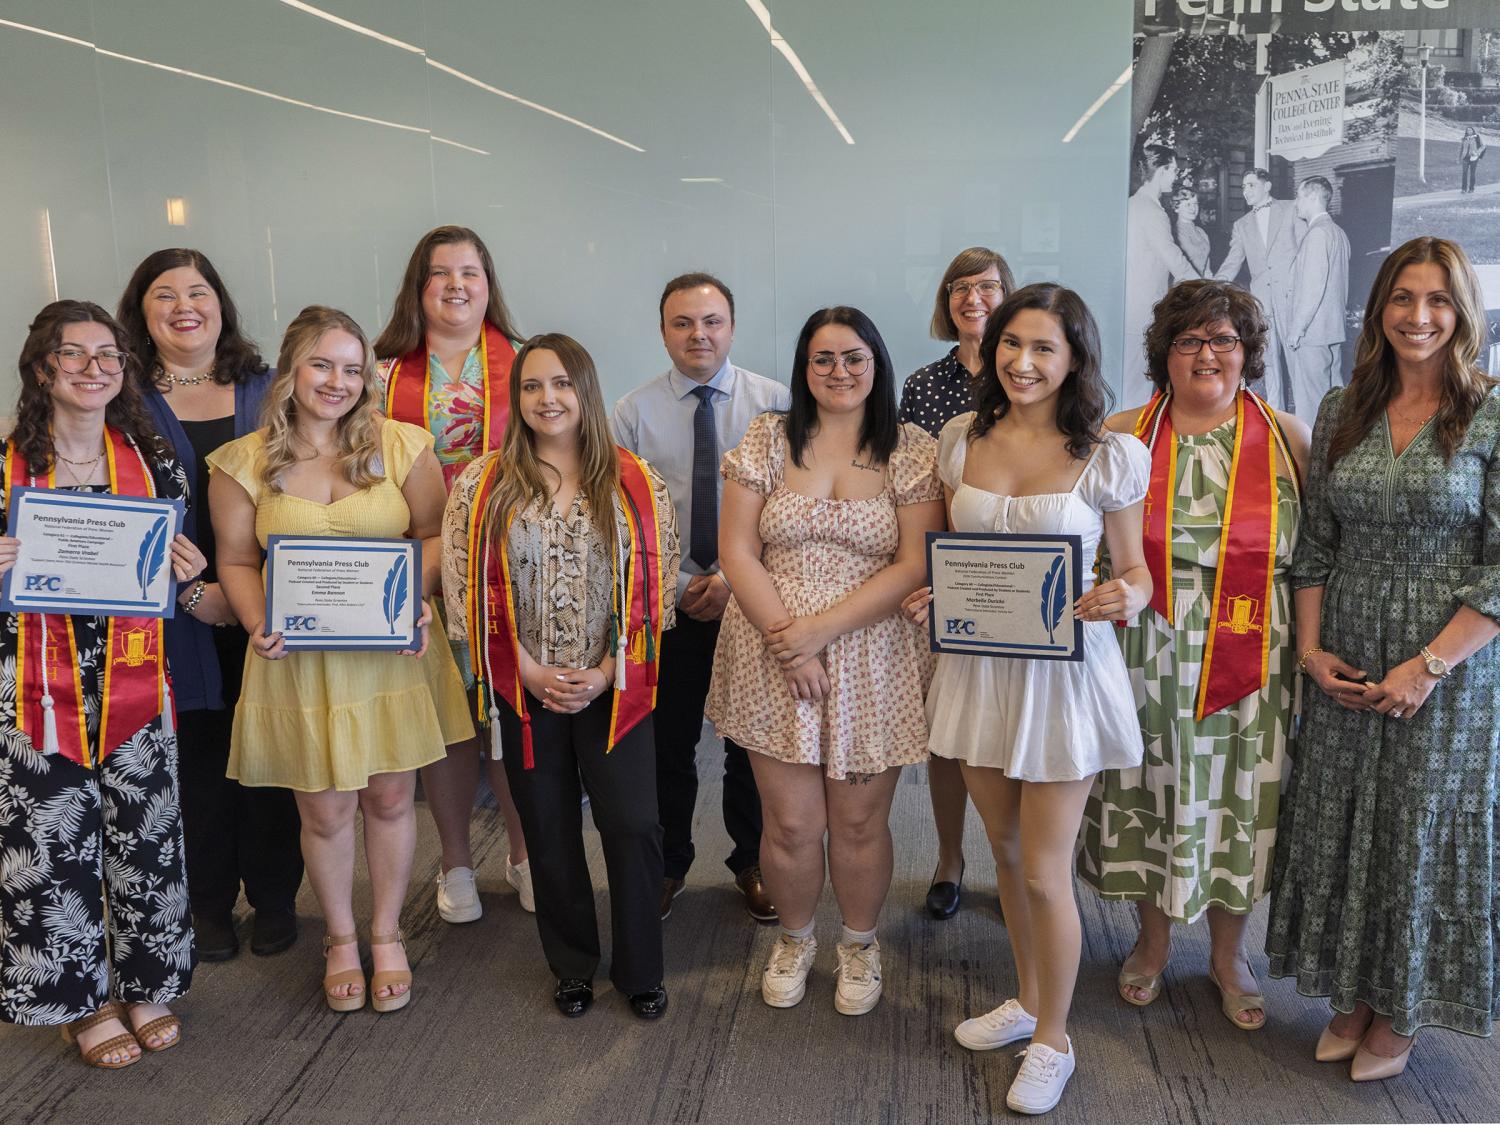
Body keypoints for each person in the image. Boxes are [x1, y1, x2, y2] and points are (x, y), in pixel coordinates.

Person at [905, 284, 1151, 1114]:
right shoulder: (958, 441)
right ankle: (1028, 998)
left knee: (1046, 870)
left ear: (1075, 356)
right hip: (980, 672)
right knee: (1004, 850)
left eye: (1044, 347)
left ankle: (1056, 1039)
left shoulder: (1107, 453)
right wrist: (937, 598)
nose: (1022, 361)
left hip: (1063, 676)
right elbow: (947, 552)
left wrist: (1129, 595)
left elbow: (1137, 571)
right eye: (1012, 343)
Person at [1266, 236, 1500, 1081]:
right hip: (1348, 654)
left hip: (1448, 671)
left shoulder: (1494, 413)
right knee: (1342, 823)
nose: (1420, 316)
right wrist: (1311, 650)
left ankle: (1402, 1007)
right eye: (1403, 298)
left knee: (1414, 834)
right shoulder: (1340, 408)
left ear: (1462, 312)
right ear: (1379, 310)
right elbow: (1314, 544)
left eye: (1439, 300)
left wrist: (1427, 666)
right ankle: (1355, 993)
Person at [210, 305, 474, 1014]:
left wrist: (410, 597)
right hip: (295, 657)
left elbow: (432, 536)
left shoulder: (402, 445)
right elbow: (235, 558)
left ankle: (386, 933)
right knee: (323, 811)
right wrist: (257, 617)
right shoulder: (243, 460)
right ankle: (338, 935)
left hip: (386, 654)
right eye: (322, 364)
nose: (337, 381)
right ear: (291, 370)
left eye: (352, 368)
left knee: (389, 798)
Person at [1077, 280, 1310, 1032]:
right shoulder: (1123, 434)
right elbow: (1080, 538)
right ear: (1164, 354)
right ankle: (1150, 941)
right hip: (1148, 640)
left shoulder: (1286, 436)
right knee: (1152, 784)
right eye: (1189, 341)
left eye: (1224, 340)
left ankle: (1227, 953)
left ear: (1246, 352)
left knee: (1236, 794)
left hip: (1253, 646)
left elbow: (1317, 557)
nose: (1207, 354)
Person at [707, 307, 943, 1018]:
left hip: (874, 659)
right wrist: (789, 638)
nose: (839, 372)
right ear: (803, 368)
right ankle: (796, 936)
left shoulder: (911, 448)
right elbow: (737, 551)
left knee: (862, 822)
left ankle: (860, 944)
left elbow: (913, 563)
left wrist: (819, 633)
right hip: (770, 650)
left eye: (853, 357)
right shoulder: (767, 439)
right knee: (788, 825)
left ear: (877, 363)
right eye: (823, 359)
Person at [443, 333, 679, 1020]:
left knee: (633, 823)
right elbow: (465, 598)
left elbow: (656, 599)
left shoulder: (636, 481)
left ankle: (640, 969)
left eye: (561, 384)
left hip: (615, 690)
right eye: (532, 386)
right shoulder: (482, 487)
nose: (548, 399)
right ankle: (573, 964)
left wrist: (606, 671)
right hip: (527, 688)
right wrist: (530, 669)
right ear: (516, 399)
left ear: (586, 391)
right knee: (547, 827)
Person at [0, 300, 205, 1066]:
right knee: (53, 839)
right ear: (42, 367)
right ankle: (79, 1000)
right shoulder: (5, 462)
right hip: (34, 682)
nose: (93, 368)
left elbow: (172, 569)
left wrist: (187, 572)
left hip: (133, 677)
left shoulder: (151, 458)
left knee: (145, 830)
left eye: (107, 355)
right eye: (73, 354)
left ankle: (147, 980)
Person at [116, 248, 304, 963]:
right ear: (142, 311)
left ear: (221, 304)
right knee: (196, 762)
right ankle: (208, 902)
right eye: (164, 295)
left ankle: (278, 894)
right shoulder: (122, 398)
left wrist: (245, 592)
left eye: (198, 292)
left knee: (271, 754)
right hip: (171, 616)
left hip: (270, 603)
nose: (183, 306)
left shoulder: (269, 387)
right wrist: (193, 591)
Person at [611, 273, 787, 923]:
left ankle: (753, 860)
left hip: (756, 598)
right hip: (670, 603)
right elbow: (623, 518)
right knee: (668, 743)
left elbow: (791, 506)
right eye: (682, 322)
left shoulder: (776, 405)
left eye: (711, 321)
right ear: (663, 332)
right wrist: (685, 587)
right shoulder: (632, 412)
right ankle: (669, 861)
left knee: (751, 742)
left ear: (732, 327)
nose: (698, 334)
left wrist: (739, 581)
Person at [374, 224, 532, 924]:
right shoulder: (378, 374)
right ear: (419, 287)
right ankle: (456, 860)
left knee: (510, 717)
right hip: (418, 566)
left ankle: (525, 853)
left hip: (510, 568)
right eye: (440, 273)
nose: (457, 286)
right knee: (445, 721)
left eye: (471, 271)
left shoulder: (529, 364)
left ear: (489, 283)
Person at [897, 245, 1015, 920]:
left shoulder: (1034, 369)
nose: (974, 298)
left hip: (1024, 581)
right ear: (947, 302)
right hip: (946, 578)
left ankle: (1011, 860)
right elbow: (913, 486)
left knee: (1012, 725)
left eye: (988, 286)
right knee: (949, 727)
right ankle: (948, 858)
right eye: (961, 288)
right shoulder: (921, 385)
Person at [1215, 168, 1301, 412]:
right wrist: (1215, 284)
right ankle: (1278, 417)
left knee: (1296, 361)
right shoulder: (1242, 225)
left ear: (1267, 185)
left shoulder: (1291, 208)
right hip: (1263, 301)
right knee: (1270, 363)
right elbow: (1233, 260)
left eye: (1250, 185)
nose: (1245, 192)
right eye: (1243, 187)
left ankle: (1306, 419)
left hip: (1291, 298)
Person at [1124, 145, 1201, 405]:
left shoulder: (1131, 205)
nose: (1175, 177)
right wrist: (1206, 289)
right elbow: (1174, 258)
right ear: (1162, 170)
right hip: (1144, 310)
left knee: (1130, 382)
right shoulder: (1153, 212)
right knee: (1139, 390)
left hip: (1129, 308)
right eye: (1174, 171)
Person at [1286, 178, 1351, 420]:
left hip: (1312, 333)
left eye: (1299, 196)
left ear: (1313, 197)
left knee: (1312, 403)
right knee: (1333, 398)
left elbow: (1312, 288)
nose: (1296, 203)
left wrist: (1296, 329)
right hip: (1332, 329)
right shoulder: (1339, 233)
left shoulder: (1317, 234)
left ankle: (1311, 454)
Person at [1172, 188, 1212, 276]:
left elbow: (1207, 267)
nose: (1193, 208)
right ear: (1176, 208)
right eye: (1188, 204)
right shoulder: (1173, 233)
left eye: (1195, 204)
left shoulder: (1201, 232)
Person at [1459, 126, 1486, 194]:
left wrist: (1477, 153)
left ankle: (1471, 189)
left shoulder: (1477, 137)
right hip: (1465, 158)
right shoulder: (1464, 139)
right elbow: (1461, 149)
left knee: (1472, 173)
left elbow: (1483, 146)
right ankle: (1463, 189)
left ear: (1473, 131)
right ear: (1466, 132)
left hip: (1474, 158)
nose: (1469, 131)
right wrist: (1459, 158)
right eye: (1467, 130)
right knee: (1464, 173)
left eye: (1470, 130)